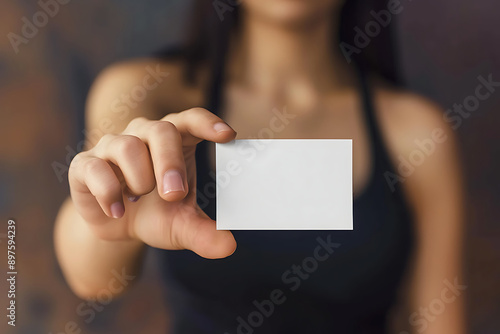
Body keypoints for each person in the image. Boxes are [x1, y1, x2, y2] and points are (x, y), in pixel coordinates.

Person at [55, 0, 465, 332]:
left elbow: (440, 321)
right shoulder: (146, 94)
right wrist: (114, 218)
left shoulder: (415, 132)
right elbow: (93, 279)